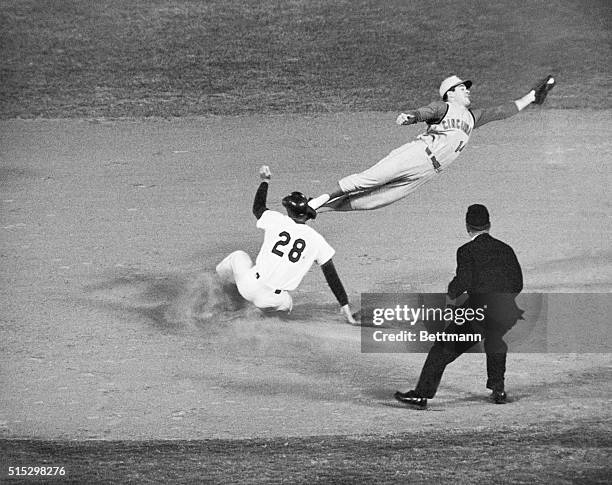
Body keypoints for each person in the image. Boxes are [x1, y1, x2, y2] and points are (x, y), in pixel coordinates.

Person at [308, 74, 555, 212]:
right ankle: (318, 199)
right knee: (368, 179)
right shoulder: (444, 107)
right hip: (417, 154)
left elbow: (504, 110)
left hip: (428, 172)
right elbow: (425, 112)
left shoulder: (472, 117)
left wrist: (533, 96)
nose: (467, 91)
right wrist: (411, 117)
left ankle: (315, 211)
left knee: (374, 201)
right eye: (462, 88)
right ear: (450, 92)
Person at [394, 204, 524, 408]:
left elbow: (463, 281)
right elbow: (518, 283)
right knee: (495, 342)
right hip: (505, 310)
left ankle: (422, 394)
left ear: (467, 227)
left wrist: (451, 293)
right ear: (489, 225)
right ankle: (498, 390)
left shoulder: (466, 251)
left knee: (442, 349)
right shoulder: (506, 249)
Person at [216, 165, 357, 324]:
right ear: (307, 215)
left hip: (249, 285)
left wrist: (265, 181)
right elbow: (332, 276)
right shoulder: (317, 240)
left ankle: (221, 293)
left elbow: (258, 208)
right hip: (272, 300)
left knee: (238, 256)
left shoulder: (277, 220)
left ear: (288, 210)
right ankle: (266, 324)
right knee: (287, 304)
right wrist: (345, 306)